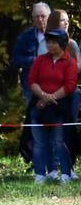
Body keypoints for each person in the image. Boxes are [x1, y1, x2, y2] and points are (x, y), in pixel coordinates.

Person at [28, 28, 78, 184]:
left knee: (60, 141)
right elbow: (32, 81)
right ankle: (40, 174)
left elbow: (70, 85)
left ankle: (65, 174)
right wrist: (43, 95)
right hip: (39, 105)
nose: (50, 45)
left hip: (60, 107)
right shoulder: (40, 60)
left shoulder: (70, 62)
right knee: (39, 142)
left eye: (53, 42)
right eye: (48, 42)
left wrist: (50, 98)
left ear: (62, 44)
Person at [48, 9, 80, 178]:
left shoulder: (72, 44)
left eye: (67, 20)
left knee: (69, 130)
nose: (66, 23)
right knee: (51, 130)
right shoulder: (46, 44)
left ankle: (70, 168)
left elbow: (78, 67)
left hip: (70, 93)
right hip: (50, 94)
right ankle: (52, 168)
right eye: (62, 20)